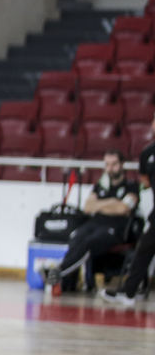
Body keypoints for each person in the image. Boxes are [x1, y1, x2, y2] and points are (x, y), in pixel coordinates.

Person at [45, 149, 139, 294]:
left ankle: (59, 271)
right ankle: (67, 282)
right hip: (94, 224)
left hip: (114, 228)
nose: (110, 168)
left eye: (114, 164)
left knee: (90, 242)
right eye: (107, 164)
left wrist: (100, 205)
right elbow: (88, 207)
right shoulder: (100, 186)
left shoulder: (131, 186)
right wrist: (112, 202)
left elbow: (123, 208)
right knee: (76, 237)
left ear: (122, 165)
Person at [100, 118, 155, 306]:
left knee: (145, 249)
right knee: (144, 250)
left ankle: (129, 291)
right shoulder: (148, 153)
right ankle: (128, 292)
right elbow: (145, 181)